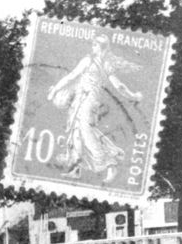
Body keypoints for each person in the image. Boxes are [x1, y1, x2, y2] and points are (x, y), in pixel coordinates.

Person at [46, 34, 143, 183]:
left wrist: (134, 96)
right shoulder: (97, 62)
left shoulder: (98, 63)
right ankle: (75, 169)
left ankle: (110, 164)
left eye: (95, 45)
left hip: (88, 102)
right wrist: (133, 96)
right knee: (76, 132)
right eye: (93, 45)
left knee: (86, 132)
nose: (93, 47)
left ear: (101, 48)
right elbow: (72, 77)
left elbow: (119, 86)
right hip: (80, 101)